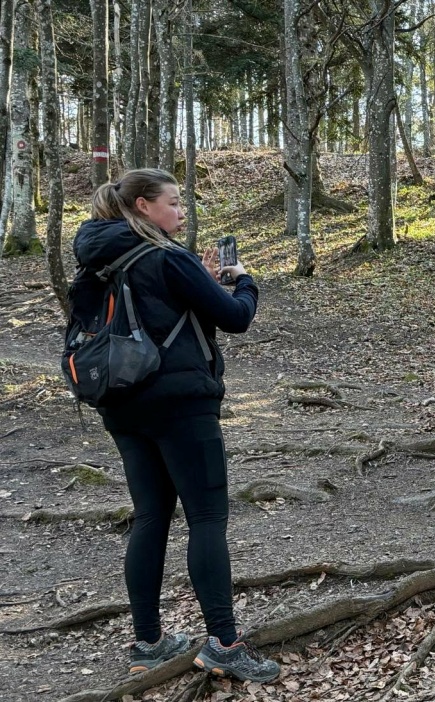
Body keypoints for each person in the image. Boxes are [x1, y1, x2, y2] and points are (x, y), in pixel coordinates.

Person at [71, 169, 279, 681]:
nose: (181, 211)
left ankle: (148, 642)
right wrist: (244, 280)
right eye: (174, 201)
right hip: (181, 403)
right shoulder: (166, 255)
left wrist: (199, 281)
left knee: (151, 516)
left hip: (121, 404)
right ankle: (224, 644)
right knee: (206, 518)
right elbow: (236, 317)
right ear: (143, 205)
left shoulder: (97, 261)